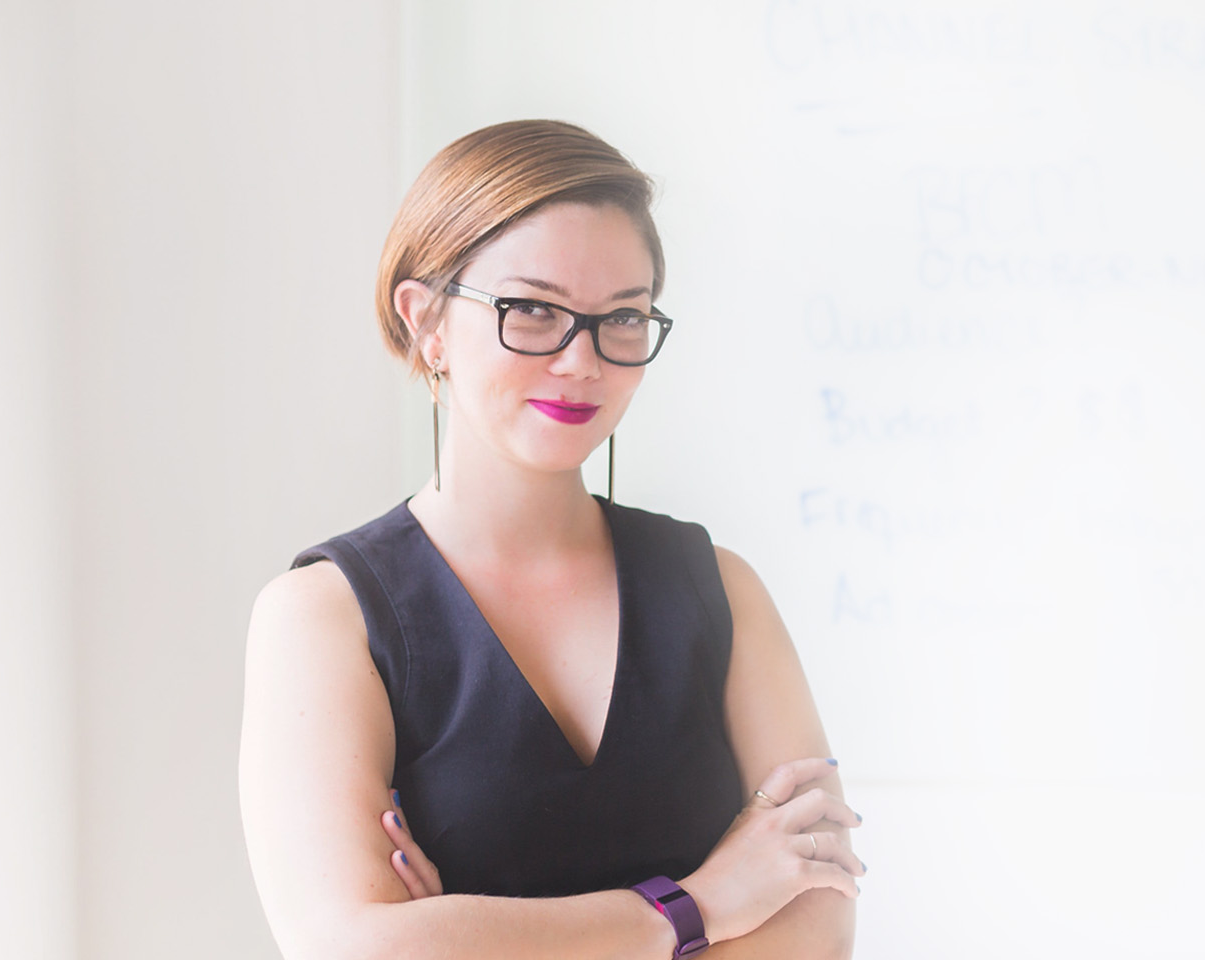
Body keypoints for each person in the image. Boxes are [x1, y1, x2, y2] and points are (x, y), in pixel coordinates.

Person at [238, 120, 862, 960]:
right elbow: (353, 948)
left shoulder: (720, 589)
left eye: (624, 318)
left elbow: (816, 927)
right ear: (426, 322)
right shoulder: (323, 618)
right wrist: (700, 906)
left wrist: (469, 932)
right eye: (532, 310)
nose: (582, 361)